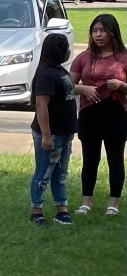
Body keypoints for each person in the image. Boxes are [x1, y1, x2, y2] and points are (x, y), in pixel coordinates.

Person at [70, 14, 127, 216]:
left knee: (115, 158)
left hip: (116, 114)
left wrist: (121, 86)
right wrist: (83, 89)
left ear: (113, 32)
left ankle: (114, 203)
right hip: (89, 114)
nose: (98, 35)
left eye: (103, 30)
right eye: (95, 31)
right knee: (90, 158)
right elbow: (68, 86)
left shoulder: (123, 57)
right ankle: (86, 202)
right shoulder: (84, 57)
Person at [28, 34, 77, 226]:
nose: (69, 51)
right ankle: (36, 210)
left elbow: (66, 92)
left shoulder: (58, 71)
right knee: (43, 173)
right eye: (66, 47)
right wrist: (46, 136)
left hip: (65, 132)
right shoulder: (46, 74)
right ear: (59, 51)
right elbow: (41, 106)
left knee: (60, 172)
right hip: (51, 134)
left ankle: (61, 210)